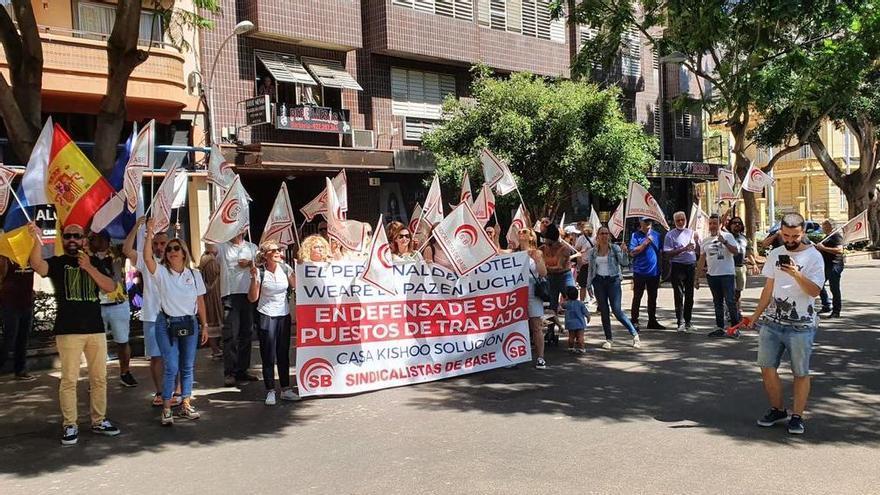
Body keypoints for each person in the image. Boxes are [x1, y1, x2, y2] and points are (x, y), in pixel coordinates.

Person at [28, 222, 120, 445]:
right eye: (68, 235)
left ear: (83, 239)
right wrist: (36, 240)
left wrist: (89, 267)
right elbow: (37, 265)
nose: (72, 239)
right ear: (63, 238)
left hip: (95, 330)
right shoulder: (59, 263)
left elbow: (110, 287)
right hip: (68, 331)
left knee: (99, 378)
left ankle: (99, 420)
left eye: (76, 236)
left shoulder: (96, 262)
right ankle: (70, 424)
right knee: (69, 379)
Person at [748, 213, 824, 435]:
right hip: (772, 322)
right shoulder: (775, 254)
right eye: (786, 235)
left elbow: (815, 291)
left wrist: (796, 274)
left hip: (802, 325)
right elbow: (768, 288)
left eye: (795, 235)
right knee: (766, 367)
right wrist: (755, 315)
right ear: (781, 232)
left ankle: (797, 416)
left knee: (800, 371)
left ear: (803, 233)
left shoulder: (813, 257)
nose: (790, 239)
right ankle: (778, 409)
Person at [143, 222, 207, 425]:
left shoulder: (194, 275)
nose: (171, 251)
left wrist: (205, 325)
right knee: (171, 365)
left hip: (189, 323)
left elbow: (200, 301)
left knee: (187, 366)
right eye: (168, 249)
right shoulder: (161, 272)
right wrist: (149, 233)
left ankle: (186, 403)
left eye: (175, 248)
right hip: (167, 323)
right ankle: (167, 408)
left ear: (183, 252)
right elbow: (146, 258)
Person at [123, 217, 174, 406]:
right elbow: (126, 250)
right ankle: (160, 392)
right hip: (151, 316)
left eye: (163, 243)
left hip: (174, 316)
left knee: (173, 356)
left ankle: (176, 391)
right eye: (156, 244)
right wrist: (138, 226)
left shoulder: (175, 260)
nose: (160, 247)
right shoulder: (146, 261)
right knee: (156, 357)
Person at [249, 241, 300, 405]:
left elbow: (297, 286)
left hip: (283, 315)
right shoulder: (259, 271)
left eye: (279, 249)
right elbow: (252, 298)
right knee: (268, 354)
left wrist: (301, 269)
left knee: (283, 353)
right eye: (273, 250)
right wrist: (254, 281)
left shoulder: (286, 268)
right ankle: (270, 390)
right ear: (265, 255)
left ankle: (285, 389)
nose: (278, 252)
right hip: (266, 315)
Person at [89, 231, 136, 387]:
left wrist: (136, 226)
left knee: (122, 341)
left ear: (107, 239)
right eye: (93, 238)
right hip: (96, 305)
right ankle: (96, 377)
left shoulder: (117, 251)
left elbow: (130, 245)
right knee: (95, 344)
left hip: (118, 303)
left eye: (97, 238)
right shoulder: (86, 255)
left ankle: (125, 372)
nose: (94, 241)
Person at [587, 226, 641, 349]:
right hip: (599, 282)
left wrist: (624, 252)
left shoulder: (615, 248)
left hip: (613, 281)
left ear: (609, 236)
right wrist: (588, 284)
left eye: (606, 233)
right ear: (598, 236)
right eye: (602, 233)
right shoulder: (593, 252)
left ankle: (634, 334)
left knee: (617, 311)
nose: (604, 236)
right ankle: (609, 339)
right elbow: (590, 269)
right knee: (604, 311)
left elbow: (624, 263)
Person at [218, 232, 259, 386]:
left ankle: (242, 370)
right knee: (230, 335)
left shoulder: (252, 247)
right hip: (230, 294)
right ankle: (229, 372)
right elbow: (210, 246)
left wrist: (249, 263)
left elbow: (260, 262)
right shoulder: (222, 246)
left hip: (248, 293)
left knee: (246, 334)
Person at [696, 214, 741, 336]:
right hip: (712, 275)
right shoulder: (705, 240)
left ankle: (735, 328)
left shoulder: (728, 236)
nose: (712, 226)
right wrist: (697, 277)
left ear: (720, 224)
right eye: (710, 223)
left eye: (714, 223)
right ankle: (720, 327)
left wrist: (725, 242)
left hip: (727, 274)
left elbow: (736, 252)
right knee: (717, 302)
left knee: (730, 301)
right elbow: (701, 260)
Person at [515, 228, 548, 369]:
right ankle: (514, 356)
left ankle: (540, 358)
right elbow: (497, 252)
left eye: (524, 231)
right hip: (516, 294)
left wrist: (537, 260)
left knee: (536, 326)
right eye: (519, 232)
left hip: (532, 292)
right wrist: (496, 235)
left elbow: (543, 273)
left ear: (531, 237)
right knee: (515, 325)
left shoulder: (537, 253)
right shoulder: (514, 253)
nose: (521, 233)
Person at [0, 255, 36, 380]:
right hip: (10, 303)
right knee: (10, 337)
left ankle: (20, 370)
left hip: (26, 302)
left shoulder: (31, 257)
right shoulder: (6, 256)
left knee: (23, 337)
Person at [663, 211, 698, 332]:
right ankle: (680, 321)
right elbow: (667, 253)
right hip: (677, 266)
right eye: (678, 220)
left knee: (690, 295)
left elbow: (698, 251)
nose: (681, 222)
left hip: (690, 265)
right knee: (678, 295)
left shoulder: (692, 233)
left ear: (686, 220)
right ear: (674, 222)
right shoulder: (670, 235)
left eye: (682, 219)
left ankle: (688, 321)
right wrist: (683, 249)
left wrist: (697, 242)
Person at [629, 218, 666, 330]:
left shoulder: (657, 235)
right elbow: (632, 252)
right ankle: (634, 321)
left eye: (650, 221)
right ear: (640, 222)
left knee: (653, 297)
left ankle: (652, 320)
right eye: (646, 221)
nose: (648, 223)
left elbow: (660, 252)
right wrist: (645, 243)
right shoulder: (635, 235)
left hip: (654, 272)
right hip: (640, 271)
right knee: (637, 297)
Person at [540, 224, 575, 313]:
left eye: (547, 240)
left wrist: (544, 268)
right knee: (552, 305)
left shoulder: (564, 249)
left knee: (571, 299)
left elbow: (559, 267)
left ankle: (576, 324)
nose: (546, 242)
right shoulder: (543, 248)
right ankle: (551, 327)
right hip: (551, 278)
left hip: (564, 276)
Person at [199, 244, 224, 359]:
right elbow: (215, 275)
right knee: (214, 320)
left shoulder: (204, 258)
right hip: (214, 295)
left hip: (208, 293)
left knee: (212, 320)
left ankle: (216, 349)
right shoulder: (211, 260)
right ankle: (216, 349)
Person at [816, 220, 844, 318]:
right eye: (822, 225)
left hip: (835, 265)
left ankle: (836, 311)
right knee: (818, 285)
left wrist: (823, 248)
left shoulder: (836, 236)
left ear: (830, 226)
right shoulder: (827, 237)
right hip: (826, 265)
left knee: (834, 288)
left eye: (824, 226)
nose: (822, 227)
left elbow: (840, 250)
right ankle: (826, 305)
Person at [726, 216, 751, 311]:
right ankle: (730, 311)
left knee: (738, 291)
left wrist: (755, 264)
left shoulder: (744, 238)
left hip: (741, 267)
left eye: (739, 223)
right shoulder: (727, 236)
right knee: (730, 291)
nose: (737, 224)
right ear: (730, 225)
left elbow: (748, 252)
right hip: (729, 267)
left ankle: (737, 309)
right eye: (734, 223)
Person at [574, 222, 595, 304]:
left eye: (588, 228)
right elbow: (576, 249)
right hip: (585, 264)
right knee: (583, 284)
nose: (586, 230)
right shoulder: (581, 238)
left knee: (596, 283)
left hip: (594, 263)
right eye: (585, 229)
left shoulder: (595, 237)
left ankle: (598, 302)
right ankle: (582, 302)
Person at [563, 286, 589, 354]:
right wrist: (588, 317)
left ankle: (571, 347)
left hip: (570, 323)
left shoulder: (567, 304)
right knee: (580, 337)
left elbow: (561, 306)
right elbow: (585, 312)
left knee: (571, 337)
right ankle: (581, 348)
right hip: (579, 322)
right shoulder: (580, 303)